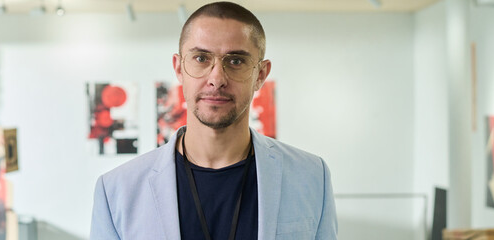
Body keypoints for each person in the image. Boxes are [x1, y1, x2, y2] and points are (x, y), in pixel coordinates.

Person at [90, 2, 338, 240]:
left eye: (236, 61)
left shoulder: (311, 177)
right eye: (201, 58)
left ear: (260, 75)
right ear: (179, 68)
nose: (217, 78)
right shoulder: (117, 190)